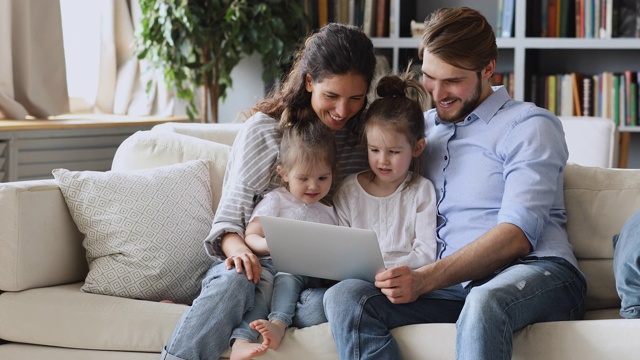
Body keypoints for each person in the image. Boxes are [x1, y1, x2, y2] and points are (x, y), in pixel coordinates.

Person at [323, 7, 587, 359]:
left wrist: (424, 279)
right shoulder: (420, 130)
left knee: (485, 299)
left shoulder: (528, 125)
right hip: (453, 288)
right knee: (346, 296)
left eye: (453, 81)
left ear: (488, 69)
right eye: (430, 77)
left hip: (537, 273)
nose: (437, 92)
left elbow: (518, 235)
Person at [159, 22, 376, 360]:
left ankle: (237, 317)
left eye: (356, 99)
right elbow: (228, 222)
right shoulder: (264, 133)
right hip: (256, 265)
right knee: (236, 282)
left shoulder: (362, 140)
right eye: (331, 96)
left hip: (311, 282)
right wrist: (241, 251)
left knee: (334, 304)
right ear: (308, 82)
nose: (342, 111)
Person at [230, 115, 339, 360]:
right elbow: (251, 235)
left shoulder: (329, 211)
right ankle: (242, 339)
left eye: (323, 178)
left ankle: (278, 323)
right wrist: (268, 245)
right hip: (272, 263)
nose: (314, 186)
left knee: (291, 277)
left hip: (309, 275)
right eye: (304, 178)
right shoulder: (277, 200)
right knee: (264, 288)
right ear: (285, 173)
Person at [333, 70, 437, 271]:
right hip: (357, 278)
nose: (382, 160)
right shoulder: (349, 191)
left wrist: (385, 269)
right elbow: (341, 250)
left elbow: (425, 254)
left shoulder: (421, 191)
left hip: (403, 280)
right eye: (374, 150)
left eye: (393, 152)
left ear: (417, 148)